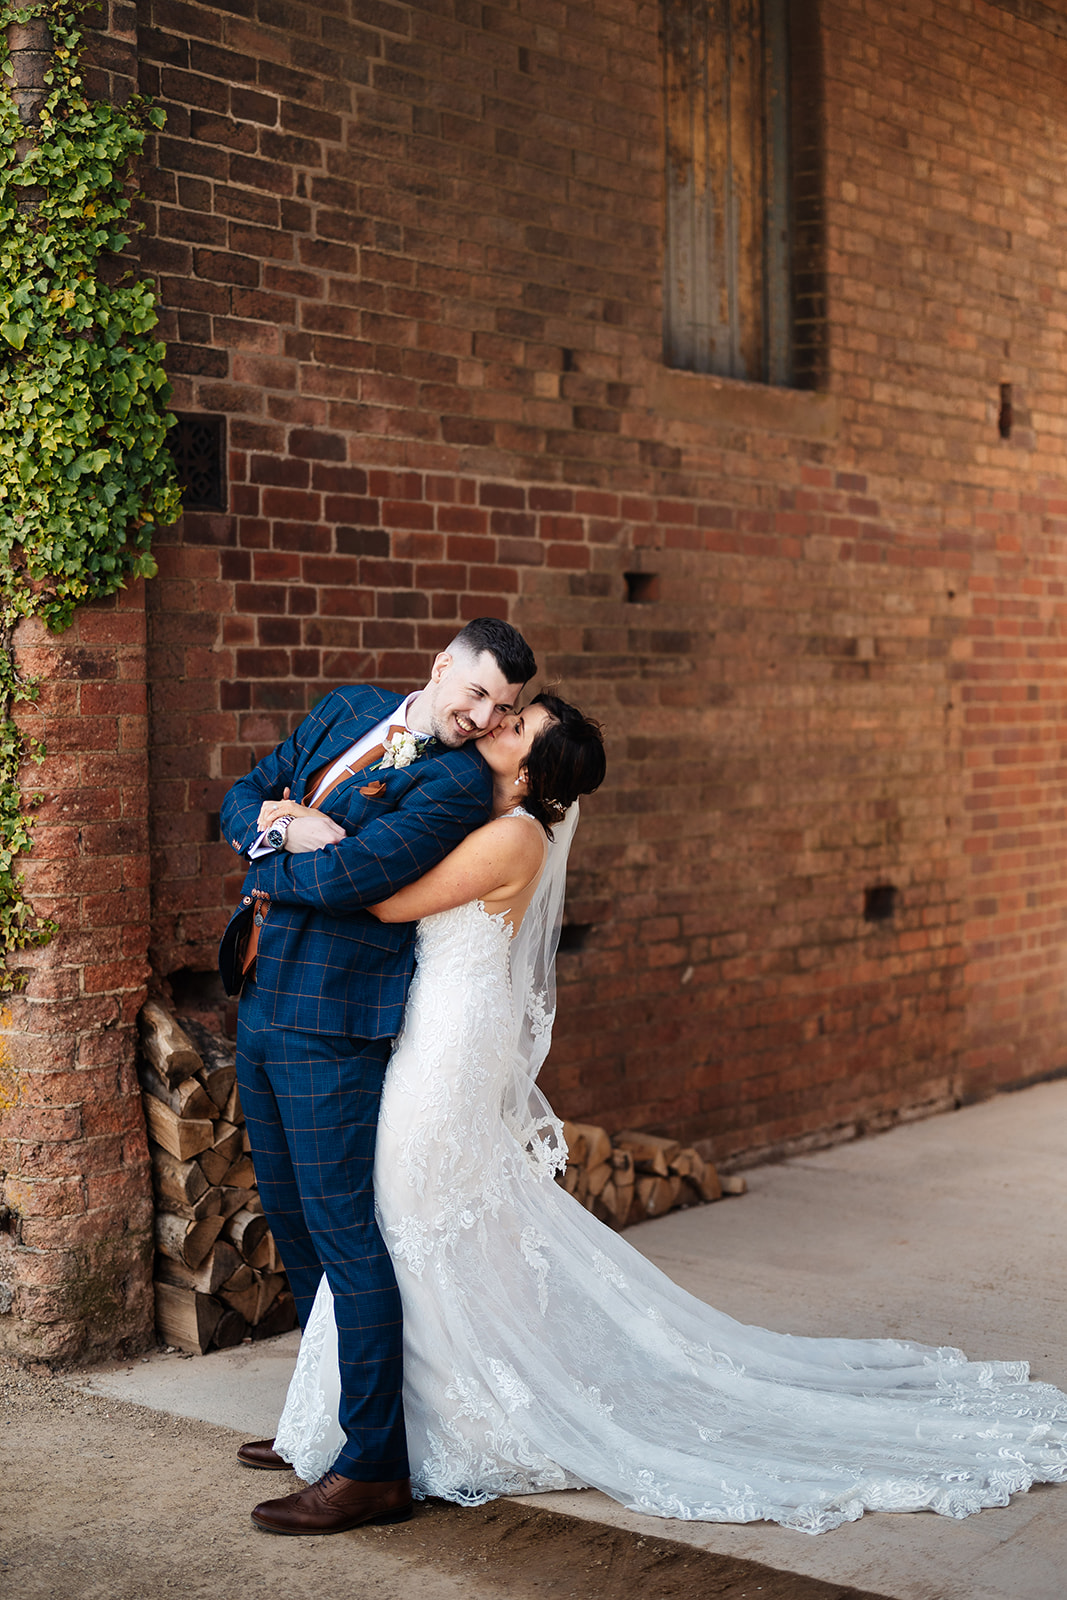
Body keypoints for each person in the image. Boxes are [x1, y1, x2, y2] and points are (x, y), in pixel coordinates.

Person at [259, 696, 1067, 1538]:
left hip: (450, 1041)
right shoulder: (479, 810)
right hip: (432, 1020)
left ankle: (417, 1431)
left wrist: (291, 844)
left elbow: (387, 902)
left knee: (409, 1213)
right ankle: (382, 1420)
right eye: (511, 715)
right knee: (417, 1221)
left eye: (516, 727)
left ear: (532, 773)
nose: (498, 726)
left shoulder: (513, 835)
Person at [218, 618, 536, 1535]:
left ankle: (370, 1468)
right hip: (262, 992)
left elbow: (358, 876)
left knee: (347, 1237)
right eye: (475, 694)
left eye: (504, 709)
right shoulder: (346, 708)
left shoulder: (457, 788)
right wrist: (278, 824)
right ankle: (317, 1419)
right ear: (442, 668)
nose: (483, 718)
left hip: (336, 1023)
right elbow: (244, 792)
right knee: (293, 1222)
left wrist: (285, 839)